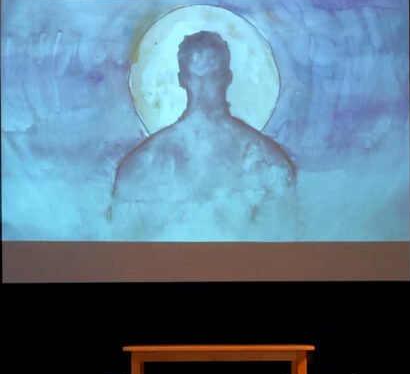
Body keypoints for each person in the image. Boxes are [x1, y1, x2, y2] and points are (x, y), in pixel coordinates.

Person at [109, 30, 297, 241]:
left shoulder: (266, 160)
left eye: (212, 77)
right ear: (182, 80)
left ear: (227, 79)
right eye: (196, 78)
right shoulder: (140, 165)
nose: (203, 89)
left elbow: (280, 240)